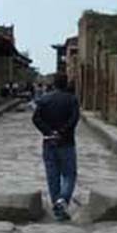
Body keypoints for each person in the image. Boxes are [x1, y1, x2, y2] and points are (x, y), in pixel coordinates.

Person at [32, 73, 80, 221]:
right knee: (69, 174)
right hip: (66, 142)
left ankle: (58, 206)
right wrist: (62, 131)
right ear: (66, 84)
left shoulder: (45, 99)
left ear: (54, 84)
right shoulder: (72, 99)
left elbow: (35, 118)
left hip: (49, 142)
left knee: (52, 175)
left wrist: (49, 132)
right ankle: (63, 200)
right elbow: (74, 119)